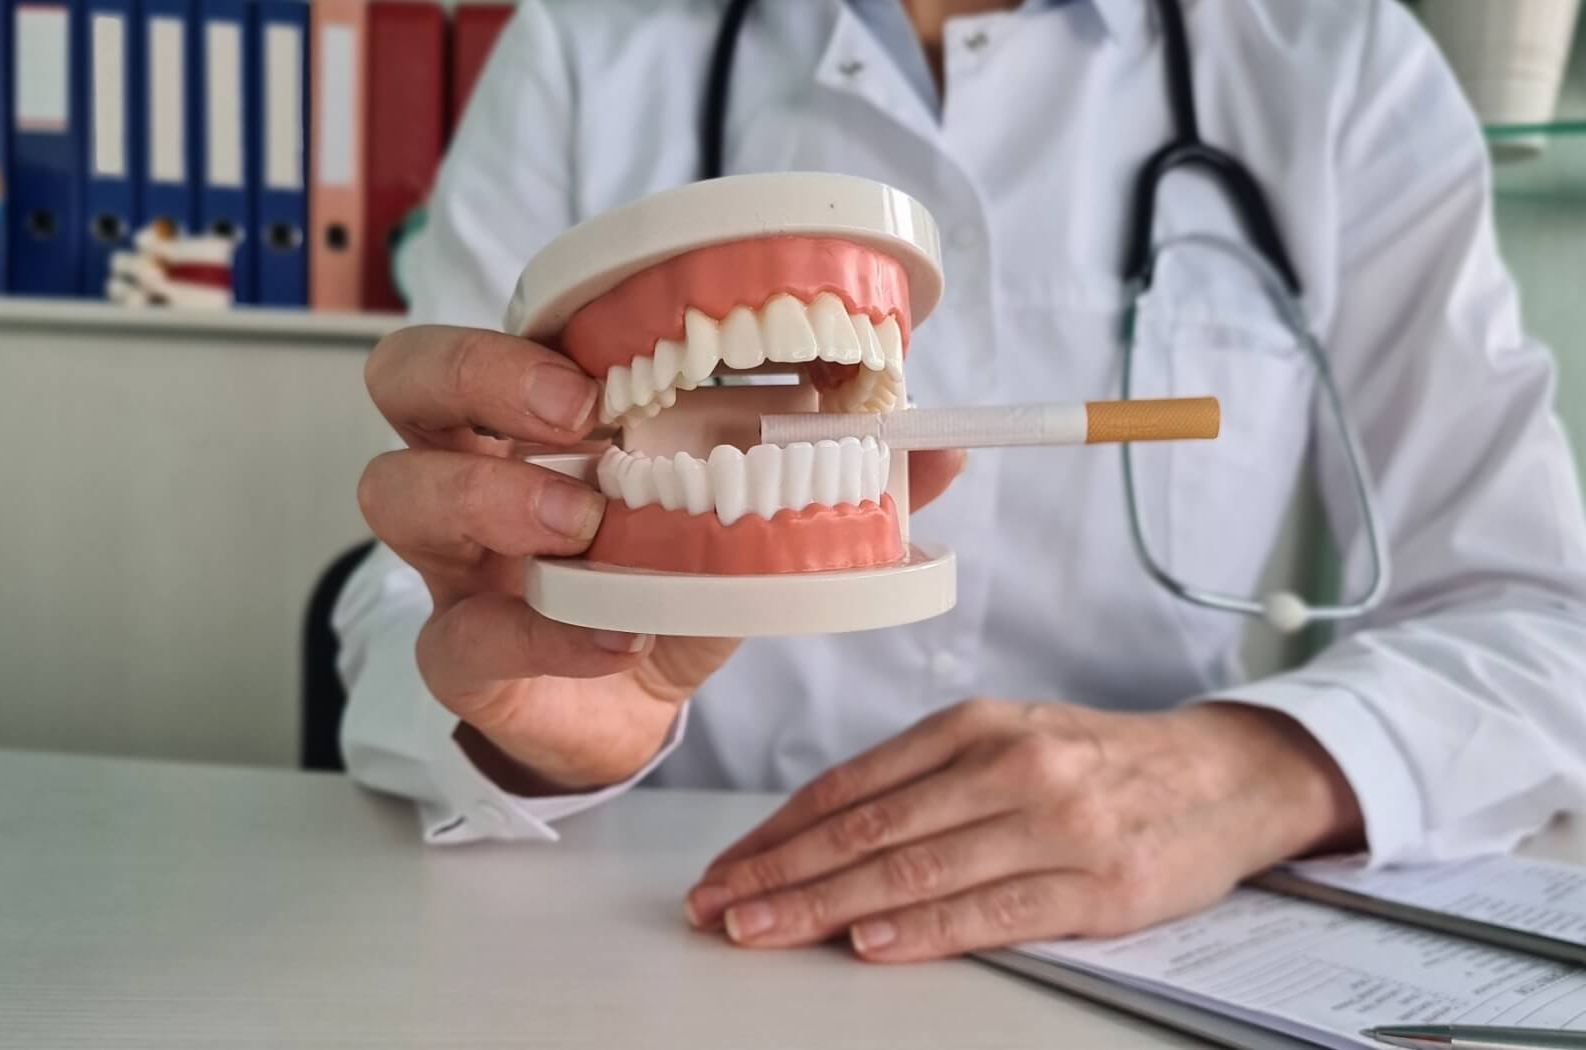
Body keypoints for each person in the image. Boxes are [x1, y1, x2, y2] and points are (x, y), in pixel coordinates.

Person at [338, 0, 1586, 963]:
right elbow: (425, 568)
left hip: (1152, 949)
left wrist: (1260, 769)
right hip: (645, 934)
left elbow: (1538, 620)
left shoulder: (1335, 59)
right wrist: (539, 728)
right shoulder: (588, 43)